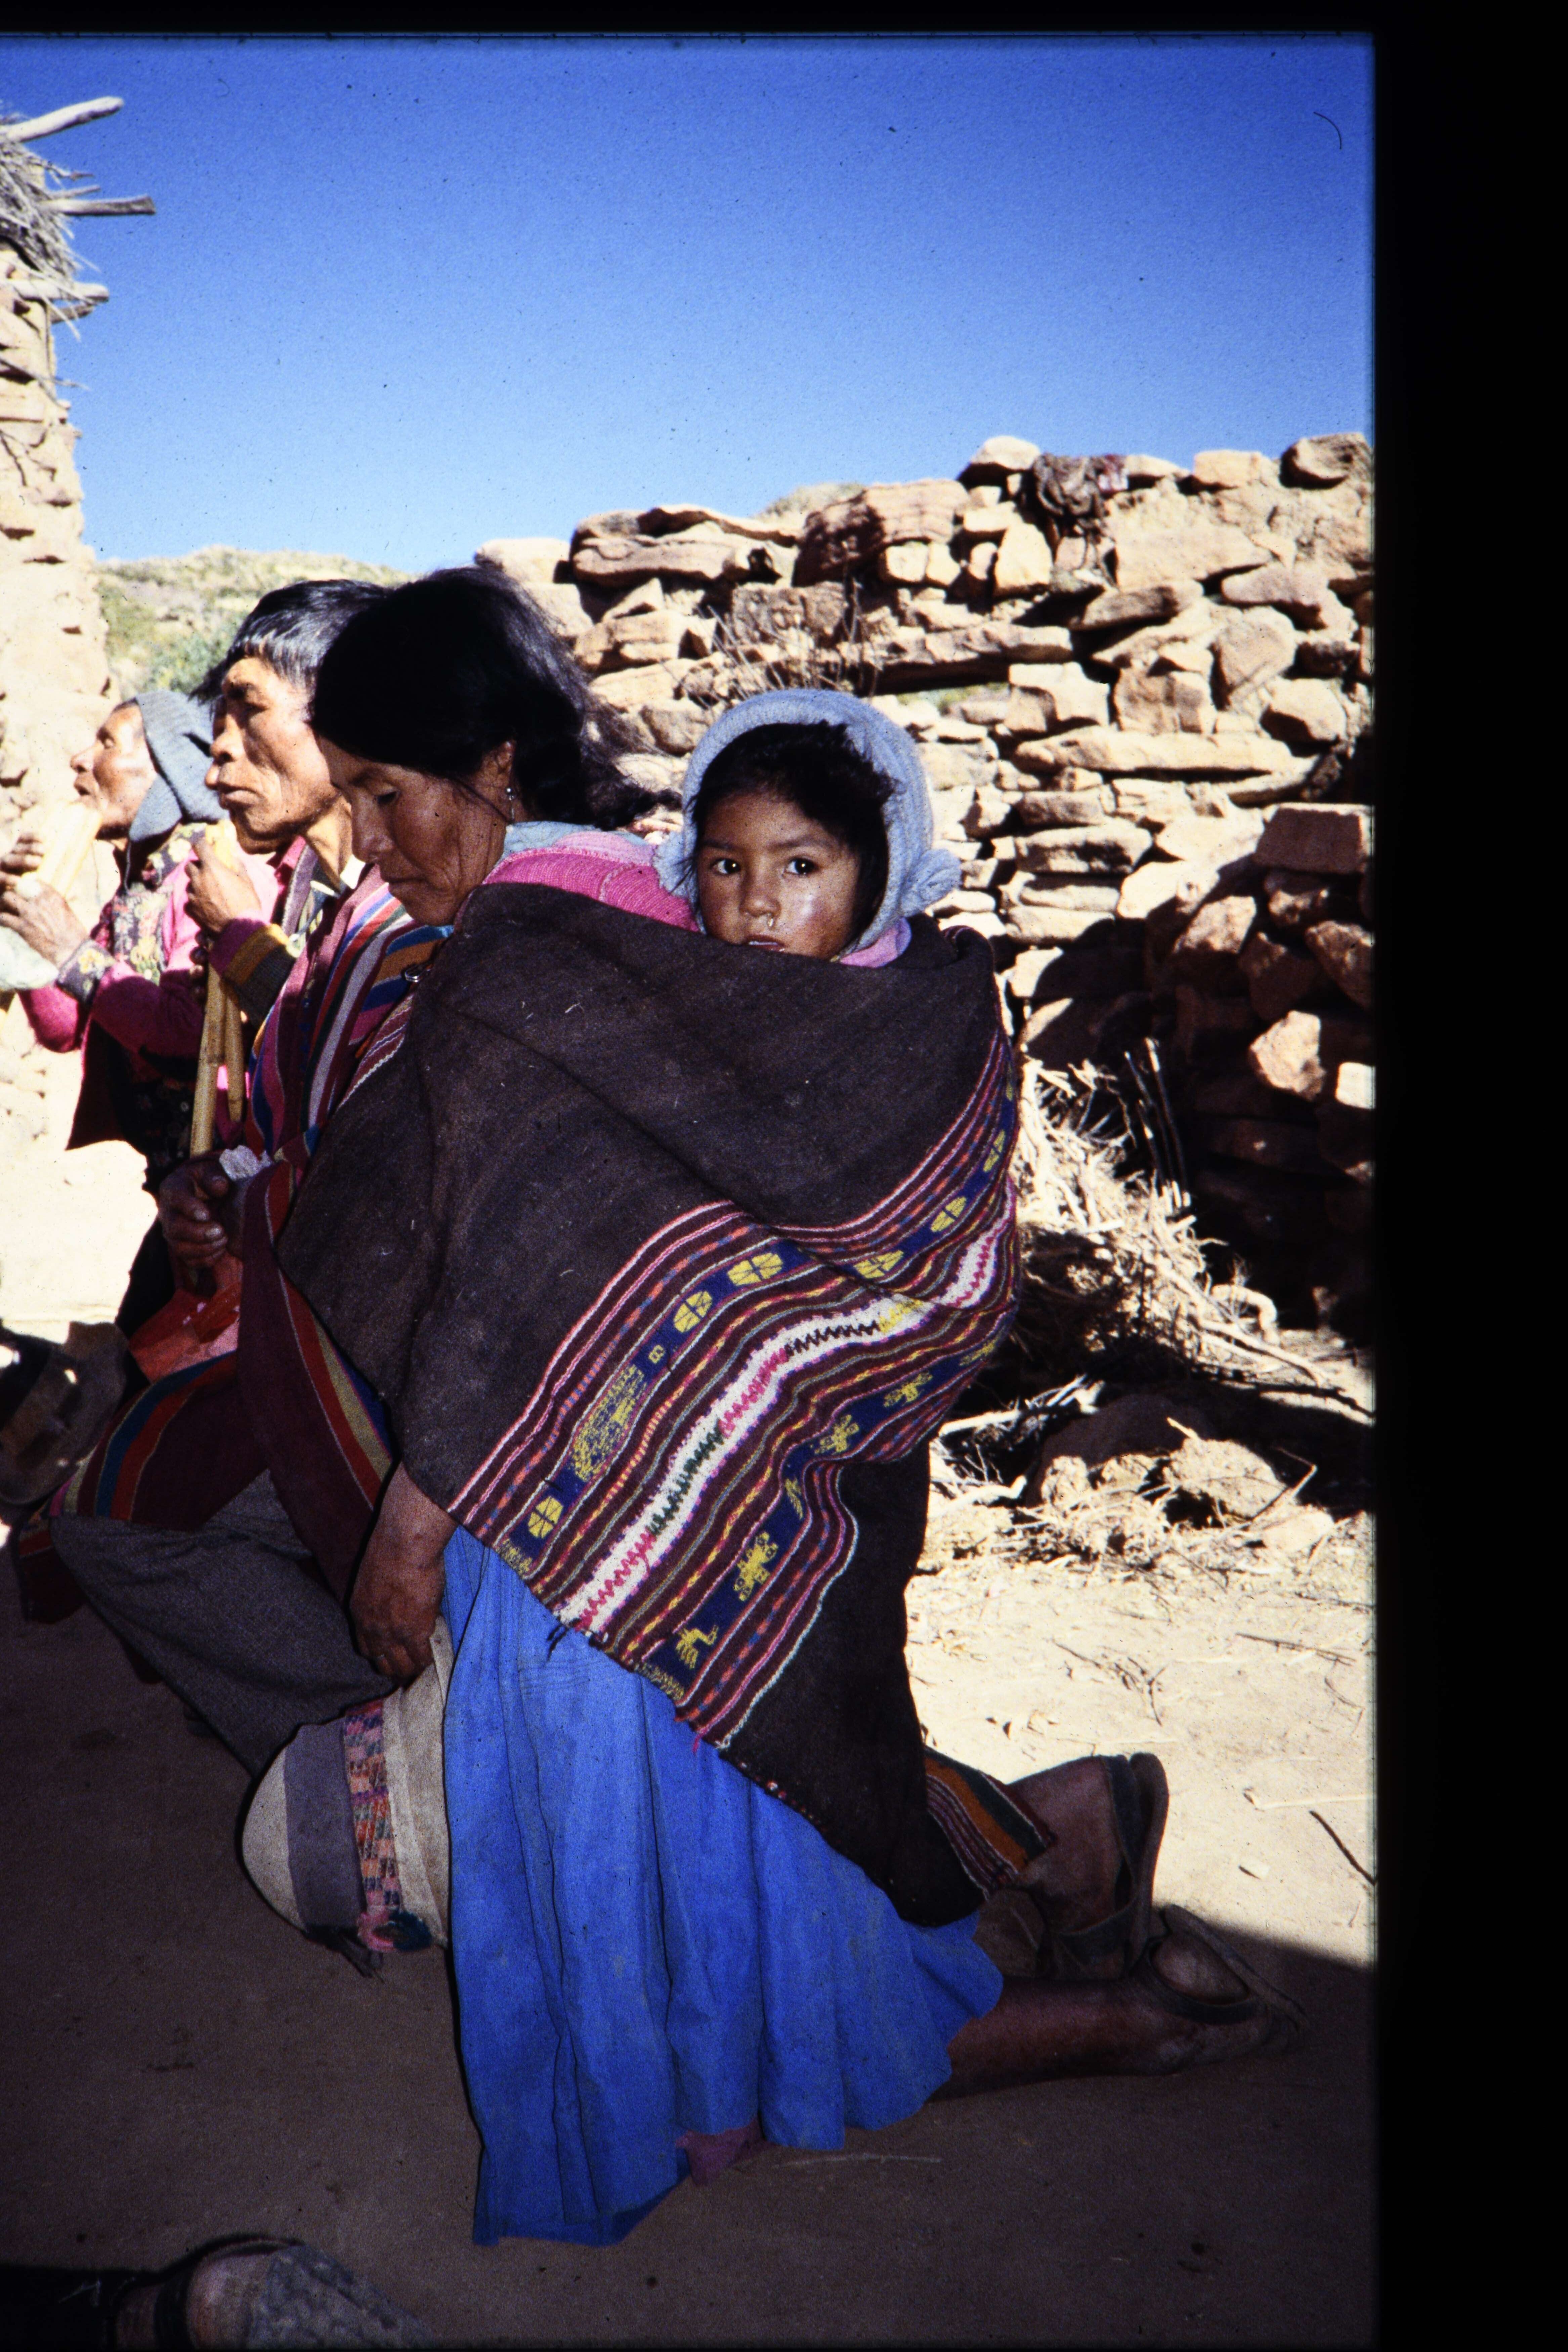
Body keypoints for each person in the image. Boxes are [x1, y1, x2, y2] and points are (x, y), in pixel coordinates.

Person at [257, 676, 1302, 2251]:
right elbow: (516, 1262)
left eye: (801, 866)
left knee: (753, 1848)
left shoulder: (926, 1034)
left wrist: (708, 1365)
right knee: (617, 1835)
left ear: (879, 870)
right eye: (728, 865)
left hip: (771, 1537)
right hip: (551, 1549)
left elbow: (931, 1294)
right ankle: (998, 1904)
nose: (755, 903)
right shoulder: (620, 992)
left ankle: (1061, 1997)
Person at [39, 571, 655, 1772]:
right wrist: (239, 1186)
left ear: (491, 764)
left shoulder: (529, 934)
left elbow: (521, 1276)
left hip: (506, 1438)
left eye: (382, 791)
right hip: (437, 1396)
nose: (221, 751)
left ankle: (424, 1766)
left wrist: (410, 1529)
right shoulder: (420, 910)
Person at [0, 690, 270, 1333]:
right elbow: (66, 1029)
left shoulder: (206, 876)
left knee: (156, 1356)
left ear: (167, 771)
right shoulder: (137, 888)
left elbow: (189, 1039)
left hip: (222, 1185)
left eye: (107, 743)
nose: (80, 760)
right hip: (175, 1185)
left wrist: (71, 950)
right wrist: (26, 927)